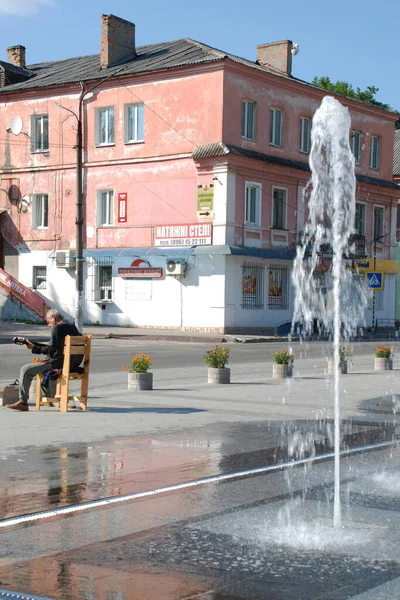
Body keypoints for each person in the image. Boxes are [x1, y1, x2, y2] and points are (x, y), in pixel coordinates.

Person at [7, 309, 83, 412]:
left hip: (60, 364)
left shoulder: (57, 328)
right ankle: (48, 400)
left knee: (26, 370)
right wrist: (35, 346)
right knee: (41, 367)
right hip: (73, 364)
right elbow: (56, 349)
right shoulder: (73, 327)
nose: (48, 325)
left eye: (48, 322)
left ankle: (23, 402)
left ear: (54, 318)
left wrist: (34, 348)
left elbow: (51, 350)